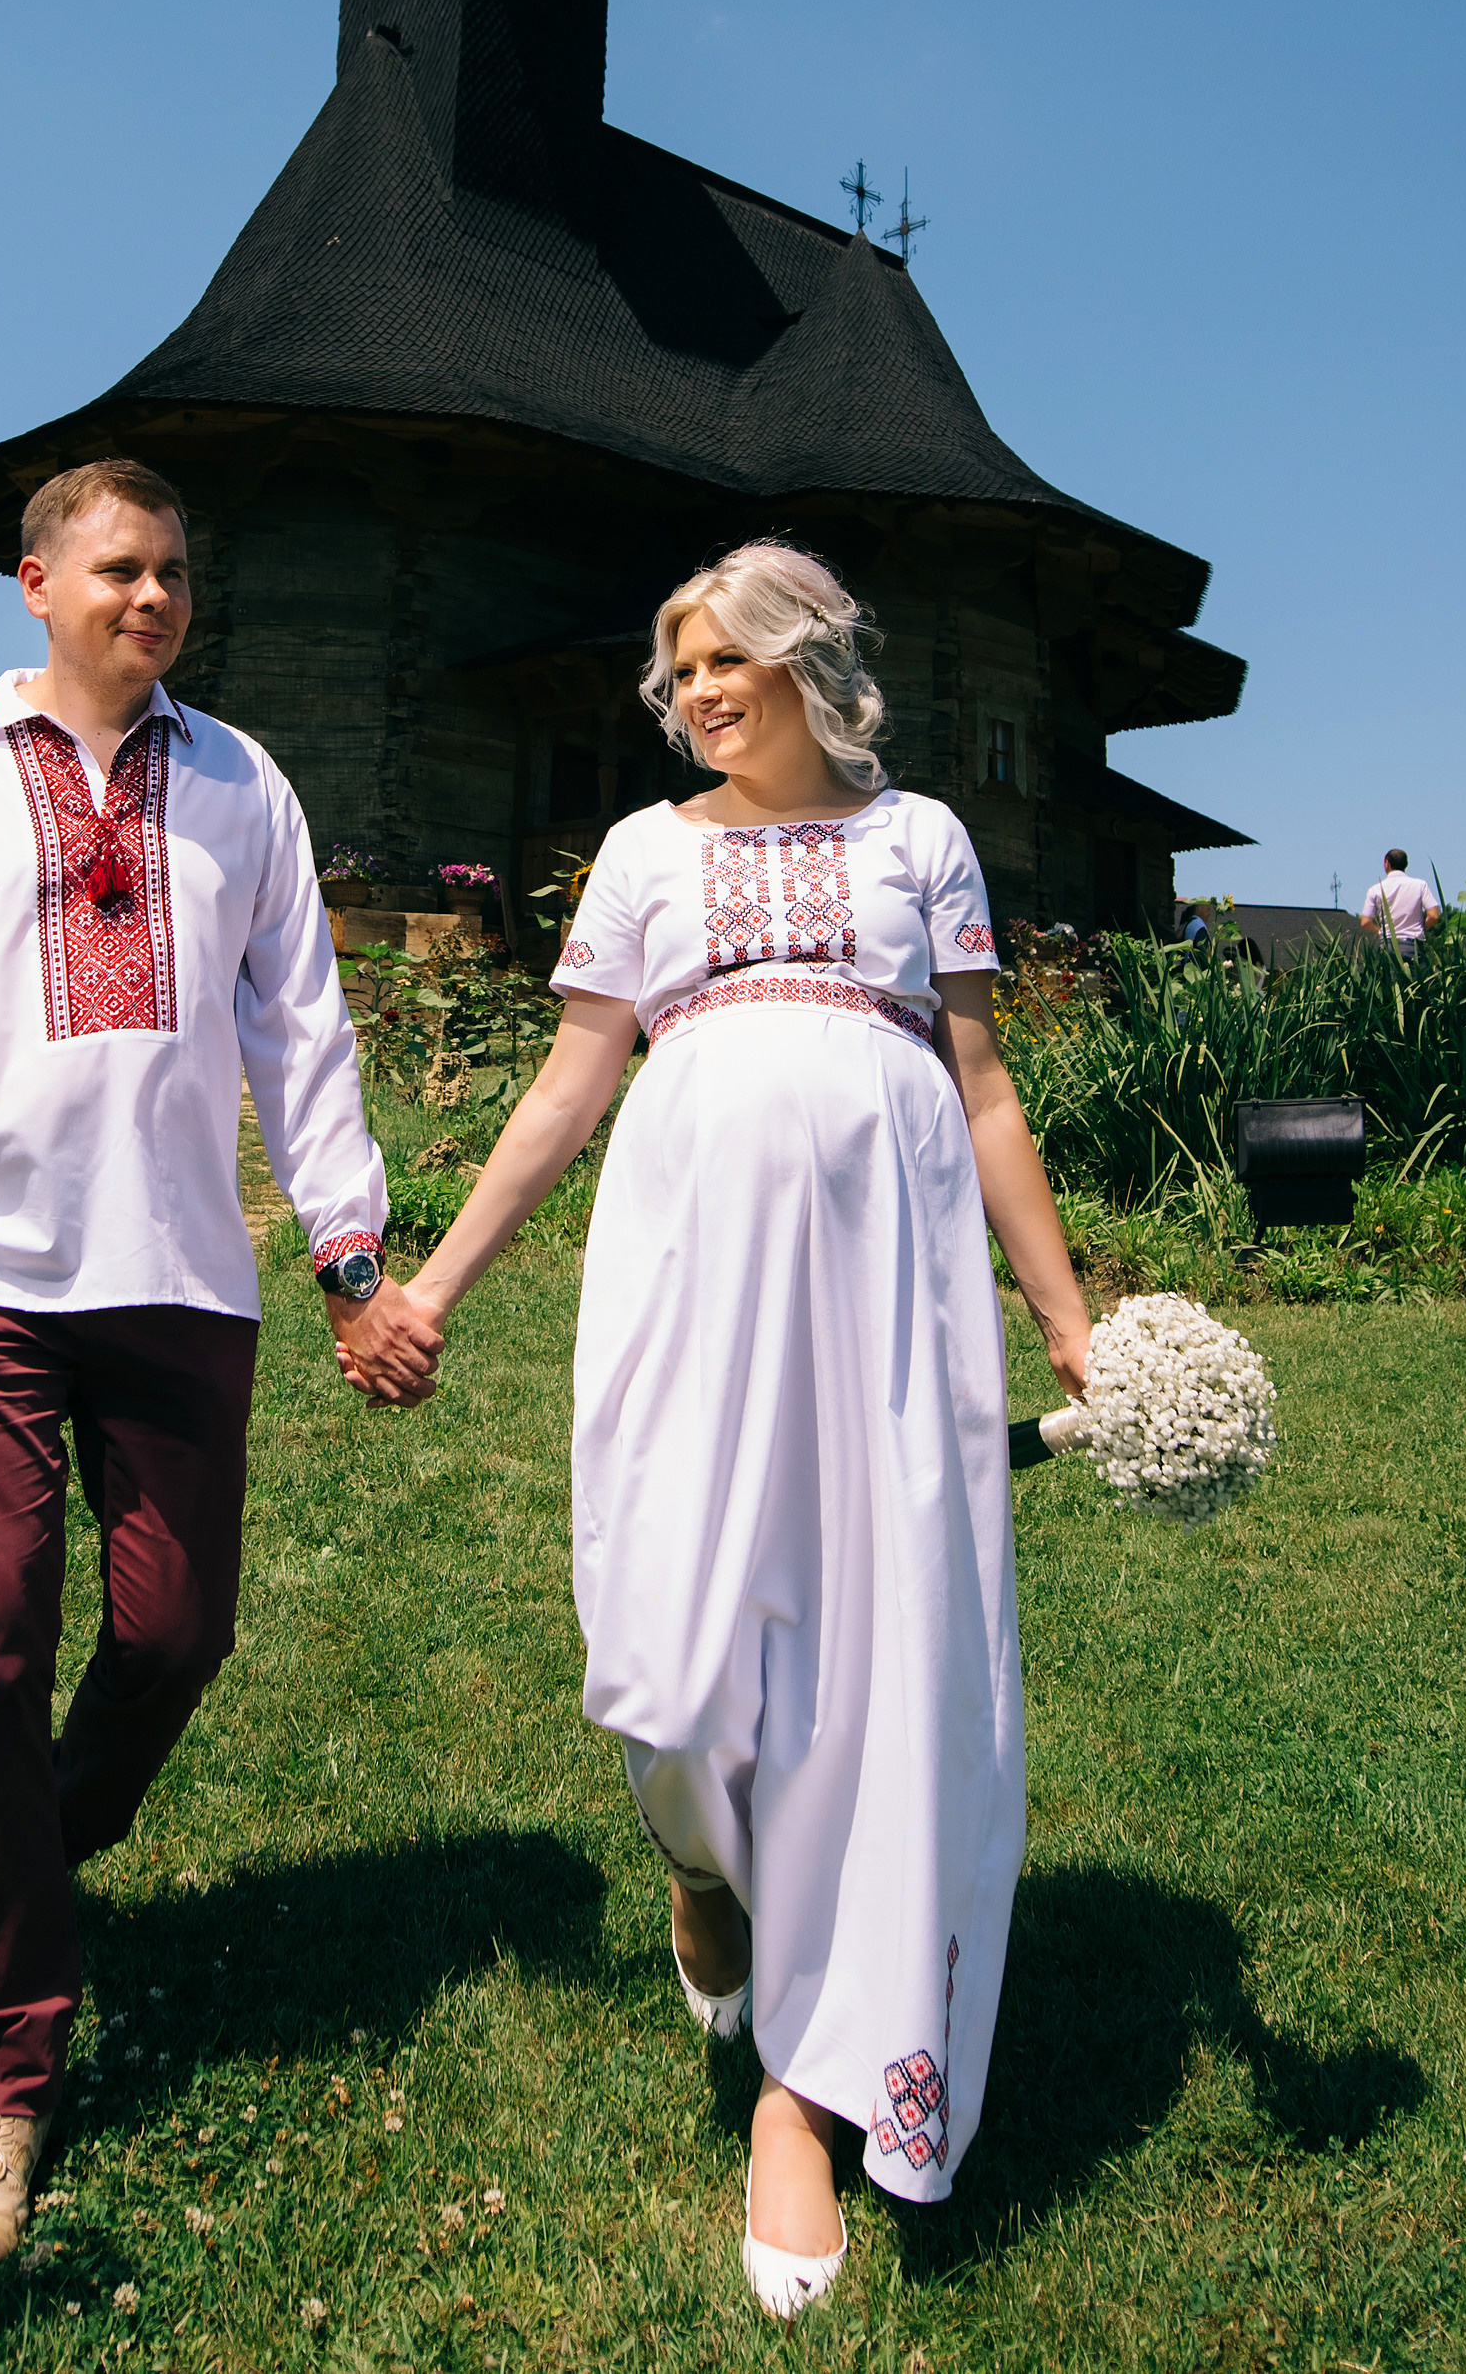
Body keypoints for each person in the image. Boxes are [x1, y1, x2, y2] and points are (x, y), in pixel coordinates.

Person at [0, 457, 442, 2285]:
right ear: (36, 580)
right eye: (123, 568)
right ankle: (4, 2077)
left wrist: (355, 1258)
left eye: (178, 573)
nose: (156, 597)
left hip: (177, 1276)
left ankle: (18, 1858)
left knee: (175, 1631)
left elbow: (304, 1026)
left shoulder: (241, 781)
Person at [374, 543, 1091, 2319]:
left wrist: (1071, 1316)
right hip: (687, 1285)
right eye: (674, 669)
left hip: (890, 1309)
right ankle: (699, 1858)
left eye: (720, 661)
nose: (691, 691)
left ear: (804, 662)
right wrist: (435, 1284)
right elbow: (567, 1082)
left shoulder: (919, 841)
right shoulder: (641, 855)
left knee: (878, 1669)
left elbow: (985, 1092)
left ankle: (805, 2081)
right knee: (671, 1665)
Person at [1361, 848, 1440, 956]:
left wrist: (1381, 932)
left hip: (1388, 946)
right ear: (1406, 864)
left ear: (1387, 864)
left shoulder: (1375, 889)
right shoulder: (1420, 885)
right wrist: (1420, 927)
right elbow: (1434, 916)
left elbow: (1365, 921)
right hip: (1413, 946)